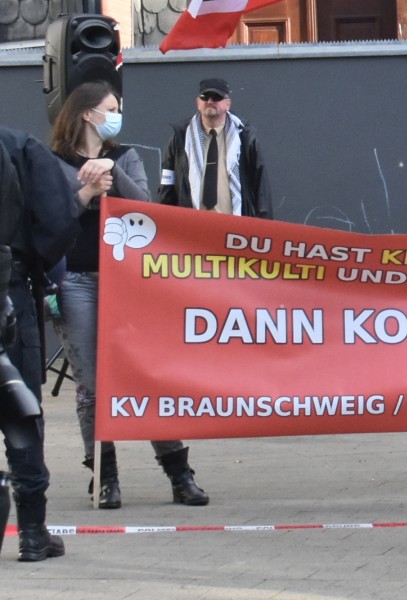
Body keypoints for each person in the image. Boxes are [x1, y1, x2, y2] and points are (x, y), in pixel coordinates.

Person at [49, 81, 209, 508]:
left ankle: (179, 473)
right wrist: (84, 193)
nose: (116, 114)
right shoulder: (53, 162)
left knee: (144, 376)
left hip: (127, 282)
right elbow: (49, 219)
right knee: (93, 385)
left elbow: (147, 208)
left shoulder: (126, 157)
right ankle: (104, 476)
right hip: (76, 280)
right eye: (110, 108)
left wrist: (110, 172)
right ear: (86, 114)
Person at [0, 124, 80, 561]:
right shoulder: (18, 146)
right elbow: (58, 217)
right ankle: (32, 532)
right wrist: (37, 263)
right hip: (8, 291)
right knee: (21, 414)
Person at [158, 78, 272, 219]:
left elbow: (260, 187)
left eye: (216, 97)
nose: (210, 101)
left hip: (233, 225)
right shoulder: (181, 137)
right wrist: (162, 222)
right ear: (198, 103)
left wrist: (264, 227)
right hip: (192, 225)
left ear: (227, 104)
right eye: (205, 97)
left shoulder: (244, 137)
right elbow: (167, 183)